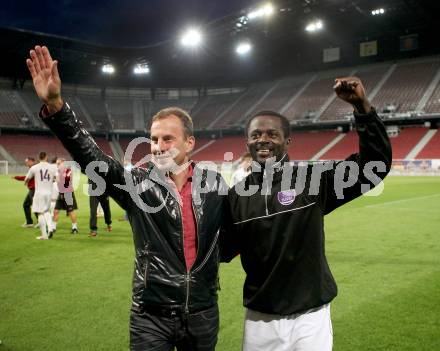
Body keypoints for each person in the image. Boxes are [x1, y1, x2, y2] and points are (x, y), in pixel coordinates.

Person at [26, 45, 226, 350]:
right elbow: (91, 156)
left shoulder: (214, 184)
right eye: (154, 138)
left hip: (202, 313)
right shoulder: (137, 184)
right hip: (151, 316)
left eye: (167, 138)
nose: (157, 146)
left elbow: (234, 234)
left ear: (190, 142)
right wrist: (57, 107)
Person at [220, 77, 392, 351]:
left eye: (272, 134)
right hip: (261, 319)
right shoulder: (235, 197)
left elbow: (374, 167)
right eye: (255, 135)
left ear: (287, 141)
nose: (263, 140)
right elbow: (220, 250)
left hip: (311, 316)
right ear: (247, 142)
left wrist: (362, 109)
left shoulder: (313, 179)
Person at [24, 151, 57, 240]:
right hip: (49, 193)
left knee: (40, 213)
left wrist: (25, 182)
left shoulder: (35, 167)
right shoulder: (52, 167)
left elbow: (27, 178)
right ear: (46, 157)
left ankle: (44, 235)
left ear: (39, 158)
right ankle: (50, 228)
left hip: (39, 193)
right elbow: (57, 178)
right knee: (46, 211)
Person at [52, 158, 79, 234]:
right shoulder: (62, 171)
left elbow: (62, 181)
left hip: (67, 193)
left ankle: (74, 228)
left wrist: (55, 179)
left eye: (59, 163)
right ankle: (53, 228)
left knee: (70, 211)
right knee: (56, 210)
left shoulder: (66, 171)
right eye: (57, 163)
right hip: (62, 193)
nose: (57, 165)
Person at [12, 157, 37, 227]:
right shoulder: (34, 168)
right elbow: (27, 177)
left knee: (35, 206)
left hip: (34, 189)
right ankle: (30, 222)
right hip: (33, 189)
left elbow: (26, 178)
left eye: (27, 162)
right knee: (26, 204)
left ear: (32, 161)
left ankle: (39, 222)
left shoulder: (34, 168)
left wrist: (17, 177)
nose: (26, 163)